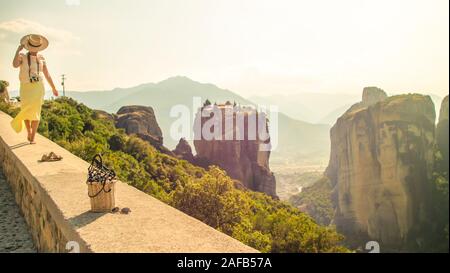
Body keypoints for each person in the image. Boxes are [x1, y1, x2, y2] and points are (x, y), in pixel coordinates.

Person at [11, 34, 59, 144]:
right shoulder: (22, 56)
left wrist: (53, 88)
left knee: (36, 111)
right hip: (26, 87)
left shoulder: (42, 58)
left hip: (38, 87)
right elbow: (14, 65)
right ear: (29, 46)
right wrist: (18, 50)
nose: (35, 50)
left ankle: (32, 136)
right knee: (26, 110)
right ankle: (29, 131)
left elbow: (47, 74)